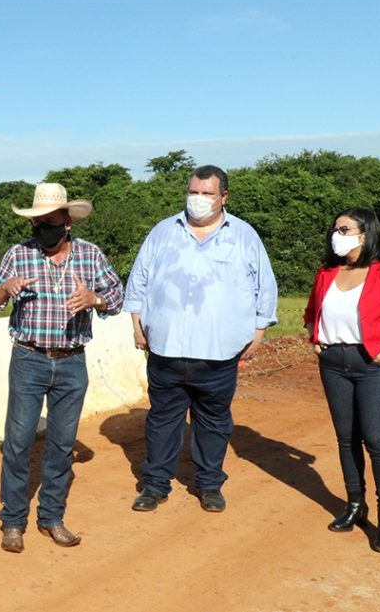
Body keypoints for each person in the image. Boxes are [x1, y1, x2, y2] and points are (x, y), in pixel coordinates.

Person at [125, 165, 277, 514]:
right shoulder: (164, 231)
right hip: (166, 348)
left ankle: (209, 484)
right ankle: (155, 484)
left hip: (218, 353)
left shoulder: (243, 236)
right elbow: (139, 280)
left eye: (207, 194)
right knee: (163, 419)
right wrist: (136, 323)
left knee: (213, 420)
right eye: (193, 192)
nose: (198, 200)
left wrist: (259, 331)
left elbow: (264, 287)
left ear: (223, 197)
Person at [0, 182, 123, 553]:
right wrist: (5, 288)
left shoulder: (90, 256)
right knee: (18, 443)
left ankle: (51, 518)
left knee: (61, 445)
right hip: (28, 358)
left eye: (50, 221)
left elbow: (118, 297)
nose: (44, 227)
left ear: (67, 222)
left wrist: (95, 298)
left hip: (71, 362)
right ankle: (13, 522)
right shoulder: (19, 254)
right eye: (38, 222)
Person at [303, 208, 380, 552]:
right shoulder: (327, 273)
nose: (335, 234)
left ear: (364, 233)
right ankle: (355, 505)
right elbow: (311, 311)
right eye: (335, 228)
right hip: (333, 363)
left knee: (378, 441)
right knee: (346, 439)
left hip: (375, 364)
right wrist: (315, 337)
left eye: (344, 229)